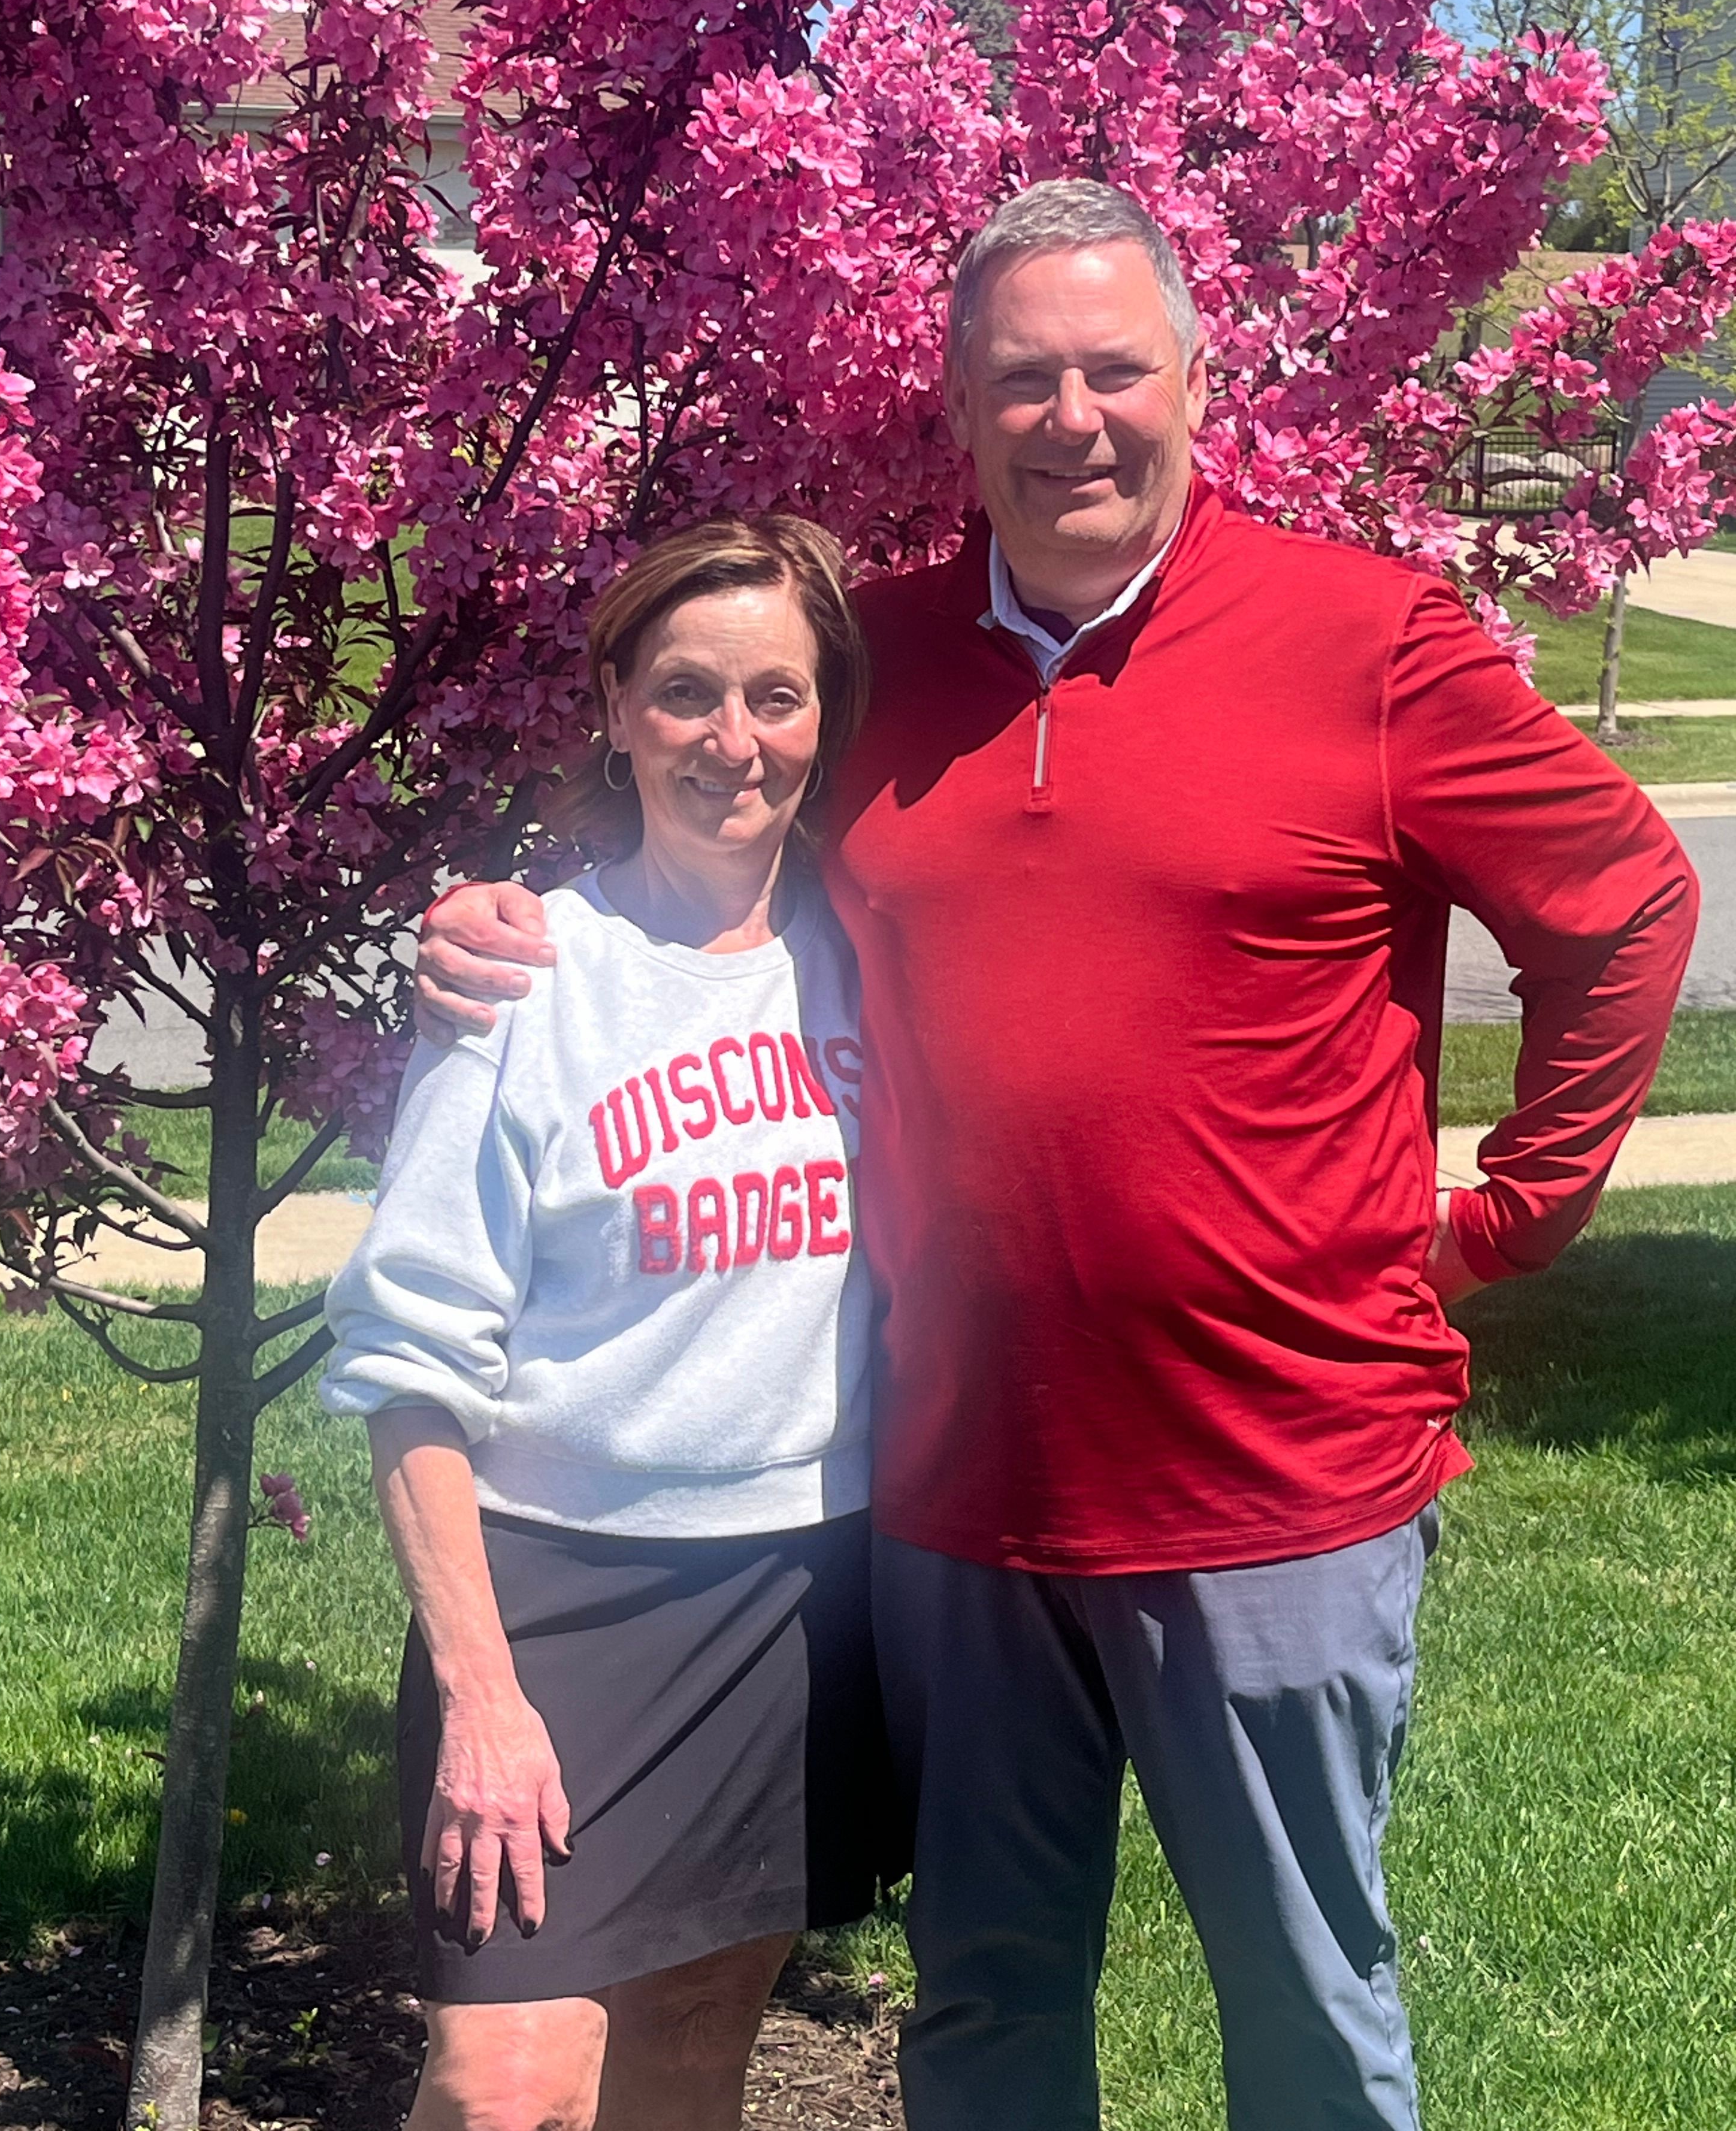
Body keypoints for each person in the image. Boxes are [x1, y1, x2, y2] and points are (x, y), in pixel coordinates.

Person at [412, 181, 1700, 2131]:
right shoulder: (876, 672)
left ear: (1198, 380)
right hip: (960, 1495)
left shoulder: (1370, 642)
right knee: (990, 2007)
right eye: (1024, 378)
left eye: (1116, 369)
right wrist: (500, 923)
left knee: (1303, 2001)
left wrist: (1514, 1212)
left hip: (1279, 1476)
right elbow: (704, 838)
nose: (1073, 417)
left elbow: (1621, 905)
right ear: (957, 406)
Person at [320, 513, 896, 2131]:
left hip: (808, 1582)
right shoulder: (523, 980)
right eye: (689, 694)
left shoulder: (875, 956)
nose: (735, 742)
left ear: (825, 717)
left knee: (705, 2022)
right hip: (554, 1600)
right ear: (618, 706)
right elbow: (408, 1361)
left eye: (776, 698)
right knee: (505, 2079)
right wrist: (482, 1694)